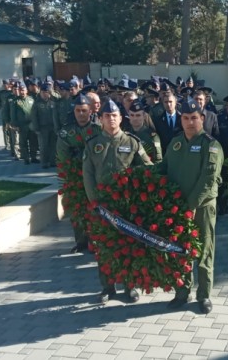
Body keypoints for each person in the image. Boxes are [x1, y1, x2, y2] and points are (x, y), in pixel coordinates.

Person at [156, 99, 224, 314]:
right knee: (180, 250)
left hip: (201, 208)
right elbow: (163, 168)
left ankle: (204, 295)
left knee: (204, 251)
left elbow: (208, 180)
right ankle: (182, 292)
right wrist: (138, 172)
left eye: (194, 118)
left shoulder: (211, 145)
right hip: (178, 208)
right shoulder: (176, 143)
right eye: (185, 118)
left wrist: (190, 205)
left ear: (202, 119)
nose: (190, 122)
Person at [83, 98, 153, 304]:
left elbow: (148, 167)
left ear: (121, 118)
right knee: (104, 247)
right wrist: (94, 202)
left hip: (126, 206)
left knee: (128, 245)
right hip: (102, 206)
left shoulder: (132, 142)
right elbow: (87, 175)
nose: (111, 119)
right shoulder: (93, 144)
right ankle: (107, 287)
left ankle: (130, 286)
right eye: (107, 116)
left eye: (114, 115)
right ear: (100, 119)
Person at [56, 93, 102, 253]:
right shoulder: (66, 132)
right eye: (78, 111)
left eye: (84, 110)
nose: (81, 114)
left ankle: (95, 241)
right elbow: (62, 155)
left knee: (94, 209)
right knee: (76, 210)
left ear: (90, 111)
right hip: (74, 176)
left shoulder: (98, 129)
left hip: (95, 175)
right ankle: (81, 241)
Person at [10, 81, 39, 165]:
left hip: (31, 125)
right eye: (20, 90)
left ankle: (33, 157)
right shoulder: (15, 101)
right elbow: (13, 115)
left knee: (33, 142)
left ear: (26, 90)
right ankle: (26, 158)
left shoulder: (31, 99)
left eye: (23, 90)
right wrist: (14, 125)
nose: (22, 92)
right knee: (23, 143)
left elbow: (34, 112)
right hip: (22, 126)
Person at [31, 83, 57, 168]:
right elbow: (34, 117)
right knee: (44, 146)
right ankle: (44, 162)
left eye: (47, 92)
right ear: (40, 93)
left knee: (53, 145)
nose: (45, 94)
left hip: (53, 127)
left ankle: (53, 161)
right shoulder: (37, 103)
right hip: (42, 128)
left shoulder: (53, 102)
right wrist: (36, 128)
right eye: (43, 92)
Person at [0, 79, 12, 150]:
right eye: (4, 84)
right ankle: (7, 144)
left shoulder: (12, 92)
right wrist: (0, 107)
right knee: (5, 129)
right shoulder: (1, 93)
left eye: (6, 84)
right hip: (4, 113)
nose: (5, 86)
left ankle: (13, 143)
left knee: (11, 129)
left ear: (9, 84)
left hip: (11, 113)